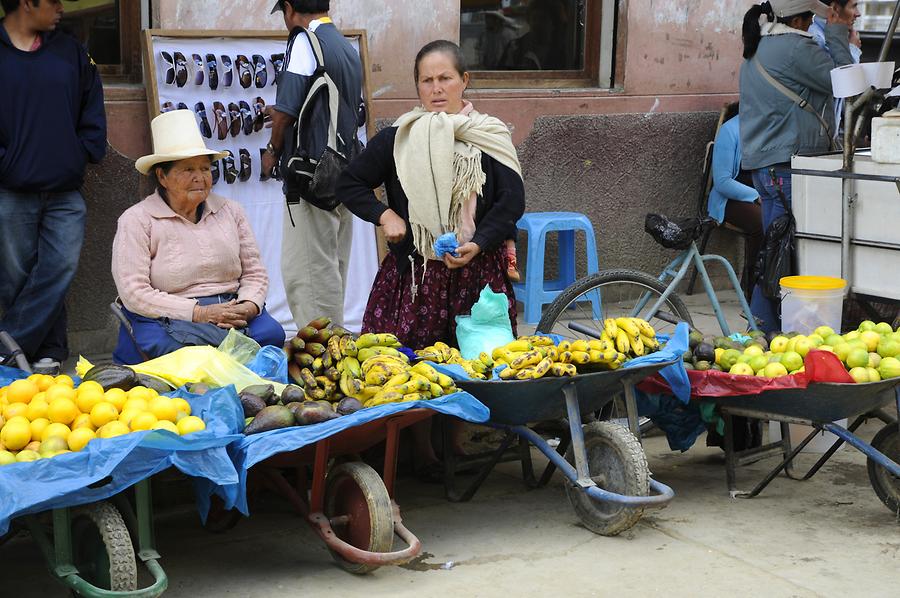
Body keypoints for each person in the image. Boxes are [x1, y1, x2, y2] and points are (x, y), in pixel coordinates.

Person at [337, 41, 525, 477]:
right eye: (427, 80)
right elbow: (350, 185)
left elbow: (511, 204)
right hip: (417, 277)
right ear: (417, 86)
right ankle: (419, 447)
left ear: (464, 81)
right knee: (414, 360)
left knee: (475, 358)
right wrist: (385, 214)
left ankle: (459, 438)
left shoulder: (490, 136)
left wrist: (478, 243)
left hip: (477, 275)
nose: (437, 88)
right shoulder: (400, 138)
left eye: (445, 78)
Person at [111, 110, 285, 364]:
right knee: (173, 350)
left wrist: (248, 306)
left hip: (230, 308)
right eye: (188, 169)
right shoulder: (137, 219)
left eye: (205, 168)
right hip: (169, 314)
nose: (199, 177)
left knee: (271, 334)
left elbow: (254, 273)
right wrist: (199, 313)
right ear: (162, 176)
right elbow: (134, 292)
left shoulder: (230, 211)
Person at [0, 0, 106, 374]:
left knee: (59, 267)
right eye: (53, 1)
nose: (61, 7)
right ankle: (47, 353)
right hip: (11, 188)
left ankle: (8, 346)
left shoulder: (70, 50)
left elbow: (92, 102)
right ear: (27, 3)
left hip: (65, 187)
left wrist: (82, 152)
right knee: (16, 276)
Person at [739, 0, 854, 333]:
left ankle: (763, 327)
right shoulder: (796, 48)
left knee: (777, 249)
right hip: (786, 167)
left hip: (765, 167)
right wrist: (836, 32)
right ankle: (762, 329)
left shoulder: (759, 44)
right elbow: (847, 82)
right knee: (784, 254)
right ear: (804, 19)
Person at [261, 0, 363, 329]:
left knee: (307, 274)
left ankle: (322, 363)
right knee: (332, 267)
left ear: (290, 8)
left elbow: (289, 109)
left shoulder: (305, 40)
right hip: (343, 171)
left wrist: (272, 149)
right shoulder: (345, 46)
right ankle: (335, 353)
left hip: (311, 174)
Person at [707, 104, 763, 302]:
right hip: (730, 199)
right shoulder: (730, 131)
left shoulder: (769, 128)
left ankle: (775, 283)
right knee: (762, 223)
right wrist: (756, 195)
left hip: (763, 194)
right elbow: (722, 182)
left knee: (784, 220)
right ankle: (753, 288)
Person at [809, 1, 863, 137]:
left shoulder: (839, 36)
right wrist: (853, 50)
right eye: (853, 6)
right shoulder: (816, 39)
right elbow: (844, 84)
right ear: (835, 8)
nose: (858, 13)